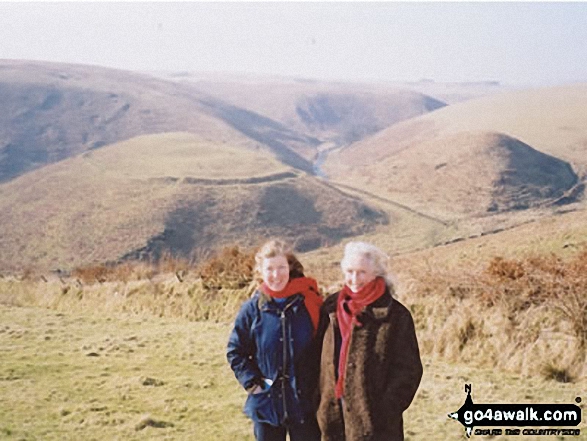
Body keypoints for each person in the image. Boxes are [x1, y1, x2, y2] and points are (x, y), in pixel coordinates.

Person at [317, 241, 423, 441]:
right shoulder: (330, 308)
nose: (354, 279)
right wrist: (319, 400)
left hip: (376, 424)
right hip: (332, 416)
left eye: (362, 272)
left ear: (376, 273)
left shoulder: (395, 315)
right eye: (349, 271)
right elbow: (315, 357)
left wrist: (384, 410)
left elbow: (409, 370)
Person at [227, 239, 323, 441]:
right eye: (269, 269)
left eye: (281, 267)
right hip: (266, 404)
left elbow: (324, 349)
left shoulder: (310, 303)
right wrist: (253, 384)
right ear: (260, 271)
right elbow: (236, 350)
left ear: (290, 267)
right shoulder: (252, 309)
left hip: (305, 405)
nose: (276, 275)